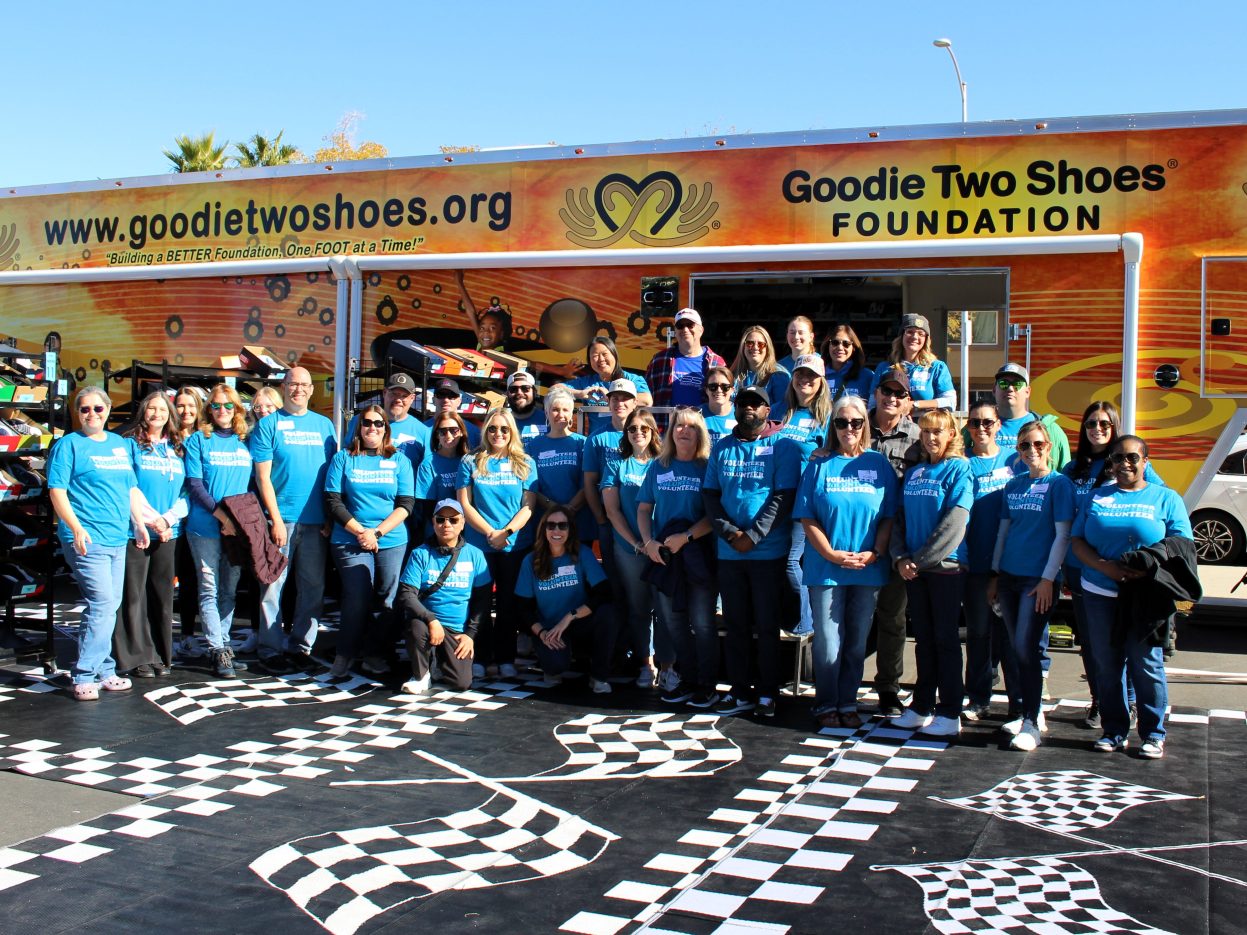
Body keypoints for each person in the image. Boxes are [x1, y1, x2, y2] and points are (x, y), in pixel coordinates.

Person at [1071, 435, 1193, 759]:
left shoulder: (1166, 498)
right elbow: (1077, 541)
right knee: (1107, 665)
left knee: (1146, 663)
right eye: (1117, 458)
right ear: (1110, 462)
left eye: (1132, 457)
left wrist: (1148, 566)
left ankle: (1153, 733)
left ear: (1145, 462)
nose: (1125, 463)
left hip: (1146, 596)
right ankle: (1114, 730)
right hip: (1100, 592)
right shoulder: (1097, 497)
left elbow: (1182, 541)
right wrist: (1104, 568)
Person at [796, 394, 897, 730]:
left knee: (855, 643)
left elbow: (888, 517)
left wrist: (876, 552)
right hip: (825, 568)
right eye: (842, 422)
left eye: (856, 422)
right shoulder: (818, 465)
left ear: (865, 426)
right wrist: (830, 554)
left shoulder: (879, 464)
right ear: (833, 426)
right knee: (827, 643)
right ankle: (826, 703)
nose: (849, 428)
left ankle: (847, 701)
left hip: (868, 568)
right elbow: (807, 517)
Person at [1062, 400, 1164, 729]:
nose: (1097, 430)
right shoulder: (1072, 468)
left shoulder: (1125, 462)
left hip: (1128, 572)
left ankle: (1132, 703)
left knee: (1132, 642)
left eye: (1105, 424)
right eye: (1091, 423)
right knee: (1093, 642)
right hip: (1082, 567)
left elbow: (1158, 498)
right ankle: (1099, 701)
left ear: (1115, 427)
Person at [704, 385, 801, 718]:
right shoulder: (722, 449)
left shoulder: (781, 447)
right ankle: (739, 689)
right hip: (729, 553)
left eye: (756, 404)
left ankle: (768, 692)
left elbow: (783, 497)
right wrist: (732, 534)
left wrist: (754, 536)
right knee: (736, 626)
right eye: (743, 402)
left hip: (767, 554)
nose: (749, 408)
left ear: (767, 410)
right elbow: (710, 496)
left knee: (767, 625)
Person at [48, 387, 149, 700]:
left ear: (107, 410)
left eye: (97, 409)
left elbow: (130, 488)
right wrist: (75, 527)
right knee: (103, 604)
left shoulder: (120, 444)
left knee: (108, 606)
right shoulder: (69, 445)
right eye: (84, 409)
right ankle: (83, 673)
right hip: (87, 538)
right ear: (77, 413)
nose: (91, 414)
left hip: (118, 537)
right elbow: (57, 491)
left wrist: (140, 523)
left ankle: (104, 668)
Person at [988, 420, 1076, 751]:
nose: (1032, 451)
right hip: (1009, 577)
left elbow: (1063, 535)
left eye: (1038, 444)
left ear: (1049, 447)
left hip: (1037, 580)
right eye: (1025, 446)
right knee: (1016, 646)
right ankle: (1027, 711)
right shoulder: (1014, 486)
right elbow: (1003, 533)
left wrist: (1048, 580)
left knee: (1026, 648)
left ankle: (1032, 720)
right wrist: (995, 574)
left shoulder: (1059, 485)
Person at [250, 366, 338, 674]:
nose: (298, 389)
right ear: (283, 387)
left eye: (304, 384)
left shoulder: (325, 426)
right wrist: (274, 519)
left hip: (316, 521)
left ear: (312, 390)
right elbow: (263, 477)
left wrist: (329, 516)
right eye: (292, 384)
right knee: (273, 587)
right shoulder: (269, 425)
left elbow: (332, 477)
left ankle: (302, 646)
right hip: (282, 520)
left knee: (313, 587)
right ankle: (270, 648)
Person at [890, 408, 973, 736]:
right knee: (923, 641)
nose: (931, 437)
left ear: (951, 434)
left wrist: (918, 561)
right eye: (925, 431)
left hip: (945, 569)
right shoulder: (914, 473)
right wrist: (900, 558)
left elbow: (955, 523)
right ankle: (922, 705)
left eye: (938, 431)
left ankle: (950, 712)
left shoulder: (959, 469)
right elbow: (899, 519)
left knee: (945, 640)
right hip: (915, 570)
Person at [323, 403, 416, 681]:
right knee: (357, 597)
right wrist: (360, 532)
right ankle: (345, 654)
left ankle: (375, 652)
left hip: (391, 539)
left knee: (388, 600)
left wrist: (376, 533)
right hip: (349, 539)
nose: (372, 428)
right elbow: (333, 501)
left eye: (378, 423)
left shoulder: (399, 460)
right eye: (367, 423)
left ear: (386, 429)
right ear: (358, 427)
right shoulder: (344, 458)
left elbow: (406, 504)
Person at [636, 408, 719, 708]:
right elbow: (644, 509)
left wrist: (687, 537)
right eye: (678, 426)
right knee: (673, 622)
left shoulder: (709, 467)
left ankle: (707, 684)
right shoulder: (658, 466)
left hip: (698, 557)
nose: (684, 431)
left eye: (691, 427)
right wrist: (648, 543)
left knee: (703, 623)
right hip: (666, 558)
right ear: (670, 432)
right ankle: (688, 678)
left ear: (700, 434)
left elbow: (714, 517)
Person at [457, 407, 537, 678]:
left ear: (512, 431)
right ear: (485, 431)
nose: (498, 433)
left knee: (507, 604)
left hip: (515, 544)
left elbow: (529, 506)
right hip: (480, 544)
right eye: (492, 428)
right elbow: (464, 504)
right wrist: (491, 532)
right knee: (479, 603)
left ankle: (505, 657)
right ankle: (480, 657)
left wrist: (507, 532)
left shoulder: (525, 462)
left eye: (504, 428)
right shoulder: (471, 461)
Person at [182, 384, 254, 678]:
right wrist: (221, 515)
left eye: (228, 406)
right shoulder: (199, 440)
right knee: (209, 588)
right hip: (206, 527)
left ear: (237, 409)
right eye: (215, 405)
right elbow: (195, 484)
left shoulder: (244, 441)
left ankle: (224, 643)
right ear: (207, 409)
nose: (222, 411)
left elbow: (252, 485)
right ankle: (217, 649)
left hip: (237, 529)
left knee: (229, 589)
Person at [117, 391, 187, 678]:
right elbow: (128, 486)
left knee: (162, 595)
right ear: (143, 412)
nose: (157, 414)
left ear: (170, 414)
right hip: (137, 530)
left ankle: (160, 653)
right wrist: (150, 520)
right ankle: (137, 656)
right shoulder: (130, 445)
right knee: (134, 596)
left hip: (169, 531)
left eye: (162, 409)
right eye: (151, 409)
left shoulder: (179, 447)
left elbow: (187, 491)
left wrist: (168, 519)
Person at [602, 407, 672, 689]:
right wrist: (637, 544)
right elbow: (612, 511)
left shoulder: (665, 463)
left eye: (644, 428)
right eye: (633, 429)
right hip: (630, 548)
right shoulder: (616, 465)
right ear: (626, 433)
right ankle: (646, 662)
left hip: (665, 549)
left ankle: (669, 665)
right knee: (639, 608)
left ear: (654, 432)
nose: (638, 433)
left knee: (667, 609)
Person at [867, 366, 921, 716]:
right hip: (854, 537)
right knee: (850, 618)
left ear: (908, 401)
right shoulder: (853, 425)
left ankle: (888, 687)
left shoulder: (917, 437)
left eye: (898, 394)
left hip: (896, 541)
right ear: (876, 393)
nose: (890, 397)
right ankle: (842, 683)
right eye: (885, 391)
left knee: (892, 618)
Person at [395, 499, 491, 694]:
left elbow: (483, 600)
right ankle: (421, 676)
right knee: (416, 625)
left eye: (453, 520)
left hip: (457, 631)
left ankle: (435, 665)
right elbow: (406, 595)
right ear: (433, 522)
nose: (446, 524)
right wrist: (431, 619)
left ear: (463, 523)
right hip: (428, 624)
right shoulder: (419, 554)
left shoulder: (476, 555)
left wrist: (471, 635)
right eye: (441, 519)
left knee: (461, 683)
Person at [962, 400, 1018, 723]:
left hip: (1011, 567)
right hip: (976, 567)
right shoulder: (963, 464)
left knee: (1011, 639)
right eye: (974, 423)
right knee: (979, 636)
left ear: (998, 424)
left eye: (986, 422)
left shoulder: (1015, 461)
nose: (980, 428)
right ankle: (979, 698)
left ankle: (1019, 705)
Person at [516, 505, 613, 690]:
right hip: (549, 630)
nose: (556, 531)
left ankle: (599, 677)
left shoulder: (582, 553)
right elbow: (523, 608)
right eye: (551, 525)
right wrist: (542, 633)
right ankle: (551, 659)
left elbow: (604, 593)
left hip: (577, 622)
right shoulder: (530, 560)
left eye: (563, 525)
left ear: (571, 529)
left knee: (608, 614)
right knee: (555, 667)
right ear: (543, 529)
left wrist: (570, 616)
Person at [774, 354, 833, 636]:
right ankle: (791, 618)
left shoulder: (828, 418)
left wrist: (823, 456)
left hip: (805, 500)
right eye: (800, 374)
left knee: (792, 562)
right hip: (774, 499)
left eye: (811, 375)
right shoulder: (778, 411)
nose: (805, 380)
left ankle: (805, 623)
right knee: (778, 561)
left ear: (821, 382)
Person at [527, 387, 592, 543]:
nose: (561, 414)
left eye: (565, 410)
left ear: (571, 414)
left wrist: (569, 508)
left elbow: (588, 484)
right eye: (555, 409)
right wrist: (554, 508)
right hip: (545, 522)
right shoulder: (533, 446)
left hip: (578, 521)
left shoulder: (582, 443)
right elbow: (530, 486)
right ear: (547, 413)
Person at [560, 336, 653, 434]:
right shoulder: (587, 382)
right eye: (595, 356)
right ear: (590, 361)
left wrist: (611, 397)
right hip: (597, 442)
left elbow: (647, 401)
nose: (601, 359)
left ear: (614, 355)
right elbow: (554, 389)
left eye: (605, 354)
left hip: (627, 439)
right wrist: (580, 393)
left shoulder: (633, 379)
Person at [993, 363, 1071, 472]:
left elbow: (1066, 475)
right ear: (994, 390)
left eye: (1017, 384)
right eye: (1003, 384)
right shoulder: (977, 429)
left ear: (1028, 391)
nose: (1010, 388)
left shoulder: (1051, 430)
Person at [869, 313, 955, 411]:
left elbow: (950, 401)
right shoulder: (884, 367)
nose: (914, 337)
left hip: (925, 425)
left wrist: (914, 405)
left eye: (921, 334)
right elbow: (872, 404)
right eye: (909, 332)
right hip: (892, 424)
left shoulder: (936, 367)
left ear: (926, 339)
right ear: (901, 336)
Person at [173, 386, 205, 651]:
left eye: (191, 405)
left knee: (193, 579)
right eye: (181, 405)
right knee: (170, 578)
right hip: (170, 520)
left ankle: (190, 633)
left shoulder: (205, 437)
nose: (186, 411)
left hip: (198, 518)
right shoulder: (167, 437)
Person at [645, 308, 727, 410]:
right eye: (680, 326)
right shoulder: (659, 360)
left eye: (690, 325)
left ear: (701, 330)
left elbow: (725, 400)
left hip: (704, 424)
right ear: (675, 331)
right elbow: (646, 396)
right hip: (667, 424)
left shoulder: (716, 362)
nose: (685, 329)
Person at [348, 372, 431, 469]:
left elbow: (426, 470)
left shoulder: (423, 432)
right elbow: (348, 455)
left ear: (412, 398)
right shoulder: (361, 421)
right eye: (394, 394)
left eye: (404, 396)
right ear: (384, 393)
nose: (398, 399)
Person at [414, 410, 472, 532]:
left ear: (461, 432)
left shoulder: (469, 461)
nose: (448, 435)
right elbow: (426, 507)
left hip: (468, 526)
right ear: (436, 435)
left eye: (453, 430)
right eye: (442, 431)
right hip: (440, 528)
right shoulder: (428, 464)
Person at [730, 325, 791, 422]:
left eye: (761, 344)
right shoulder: (734, 374)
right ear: (743, 346)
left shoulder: (779, 375)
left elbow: (781, 411)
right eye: (749, 343)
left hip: (766, 430)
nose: (755, 347)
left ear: (767, 348)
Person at [456, 269, 512, 352]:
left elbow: (516, 359)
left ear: (501, 334)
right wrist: (459, 283)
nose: (486, 332)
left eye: (493, 328)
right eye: (482, 328)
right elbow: (470, 312)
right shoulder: (481, 342)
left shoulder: (501, 354)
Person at [821, 324, 874, 402]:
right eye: (835, 342)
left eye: (846, 344)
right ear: (828, 345)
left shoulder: (868, 376)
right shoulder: (818, 375)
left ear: (854, 348)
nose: (840, 347)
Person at [425, 377, 481, 448]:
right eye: (441, 395)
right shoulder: (422, 429)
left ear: (459, 401)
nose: (446, 400)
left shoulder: (474, 432)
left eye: (451, 396)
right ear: (433, 400)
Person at [504, 370, 549, 447]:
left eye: (525, 388)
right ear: (507, 393)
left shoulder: (548, 419)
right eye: (513, 389)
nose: (519, 393)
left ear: (534, 392)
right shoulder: (502, 420)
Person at [700, 365, 738, 444]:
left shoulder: (740, 413)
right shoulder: (696, 415)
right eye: (713, 386)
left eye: (725, 387)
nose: (719, 390)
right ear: (706, 390)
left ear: (732, 390)